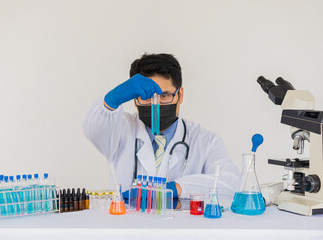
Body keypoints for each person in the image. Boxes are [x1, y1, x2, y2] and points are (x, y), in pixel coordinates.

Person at [82, 53, 239, 199]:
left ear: (180, 95)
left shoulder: (206, 140)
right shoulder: (120, 129)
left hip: (181, 228)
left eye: (164, 95)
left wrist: (174, 188)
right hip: (129, 227)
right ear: (134, 98)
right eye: (146, 97)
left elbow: (231, 183)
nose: (155, 104)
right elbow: (93, 129)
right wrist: (113, 99)